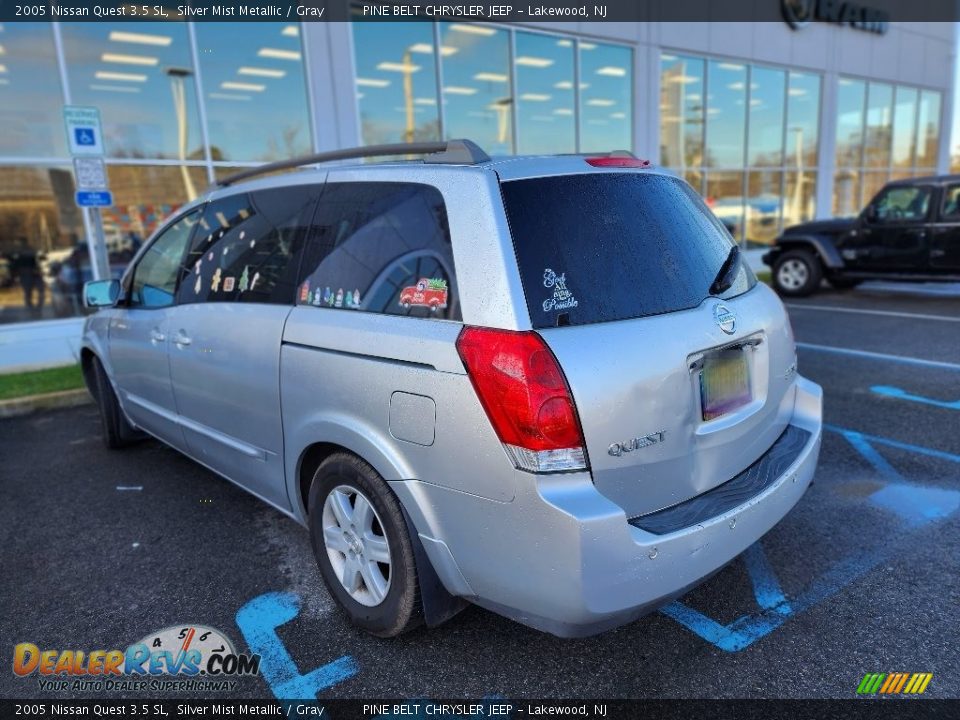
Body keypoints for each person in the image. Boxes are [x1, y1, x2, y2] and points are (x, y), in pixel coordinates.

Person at [11, 237, 44, 312]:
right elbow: (14, 264)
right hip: (25, 273)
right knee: (28, 292)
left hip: (32, 273)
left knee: (38, 291)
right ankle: (31, 308)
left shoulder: (29, 250)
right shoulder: (17, 252)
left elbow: (36, 260)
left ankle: (36, 308)